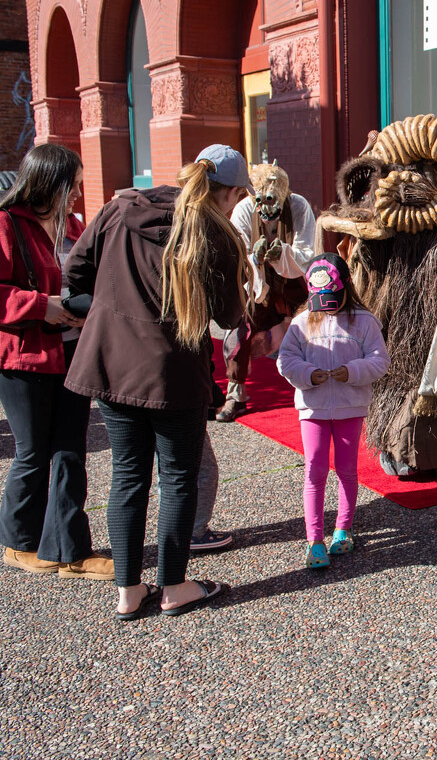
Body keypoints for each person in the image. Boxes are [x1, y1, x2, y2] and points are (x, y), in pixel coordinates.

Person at [64, 145, 251, 620]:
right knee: (177, 478)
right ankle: (174, 587)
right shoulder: (216, 234)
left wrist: (113, 308)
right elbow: (229, 315)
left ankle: (129, 592)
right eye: (238, 196)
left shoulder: (121, 207)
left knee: (127, 476)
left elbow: (75, 274)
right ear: (229, 193)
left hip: (112, 363)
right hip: (174, 373)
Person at [0, 143, 112, 580]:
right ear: (49, 183)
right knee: (33, 452)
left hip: (71, 351)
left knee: (70, 452)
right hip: (24, 357)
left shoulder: (74, 226)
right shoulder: (7, 223)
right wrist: (39, 305)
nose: (79, 194)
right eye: (73, 185)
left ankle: (69, 550)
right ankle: (18, 543)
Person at [276, 253, 388, 569]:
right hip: (313, 408)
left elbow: (380, 360)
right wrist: (307, 374)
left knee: (347, 468)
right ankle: (314, 540)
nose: (327, 307)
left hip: (351, 407)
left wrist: (352, 371)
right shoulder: (301, 322)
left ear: (346, 286)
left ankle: (343, 527)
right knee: (314, 468)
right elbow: (286, 360)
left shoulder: (365, 321)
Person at [217, 163, 319, 422]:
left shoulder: (298, 206)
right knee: (240, 330)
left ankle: (314, 385)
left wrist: (282, 253)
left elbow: (306, 253)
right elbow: (238, 253)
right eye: (259, 200)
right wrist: (256, 258)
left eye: (271, 200)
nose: (265, 209)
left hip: (293, 285)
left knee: (311, 330)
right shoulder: (243, 209)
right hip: (256, 285)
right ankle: (235, 394)